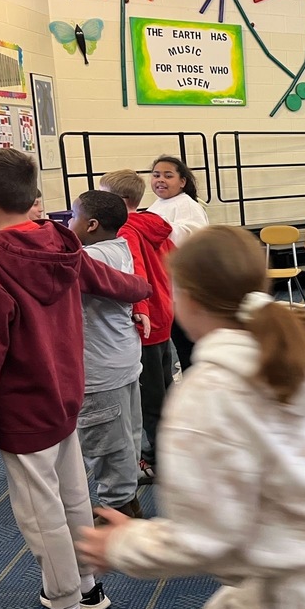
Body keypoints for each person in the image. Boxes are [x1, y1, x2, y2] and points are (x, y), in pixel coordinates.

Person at [77, 226, 305, 609]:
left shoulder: (207, 393)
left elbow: (206, 536)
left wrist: (122, 545)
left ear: (188, 300)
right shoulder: (294, 354)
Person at [0, 148, 150, 609]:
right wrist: (145, 291)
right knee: (72, 498)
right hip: (66, 396)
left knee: (42, 517)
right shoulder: (61, 241)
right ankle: (86, 588)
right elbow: (118, 284)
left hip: (24, 412)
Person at [68, 190, 144, 521]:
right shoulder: (120, 246)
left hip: (100, 369)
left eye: (73, 216)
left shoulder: (91, 258)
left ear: (92, 225)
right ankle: (127, 502)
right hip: (122, 359)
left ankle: (118, 512)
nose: (68, 223)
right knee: (126, 437)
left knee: (107, 445)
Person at [99, 169, 175, 486]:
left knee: (152, 400)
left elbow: (136, 275)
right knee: (164, 392)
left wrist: (140, 310)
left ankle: (159, 461)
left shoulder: (126, 232)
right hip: (162, 316)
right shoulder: (152, 224)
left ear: (117, 200)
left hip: (146, 323)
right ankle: (168, 452)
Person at [146, 155, 209, 370]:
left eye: (168, 175)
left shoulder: (187, 205)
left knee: (188, 341)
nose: (160, 180)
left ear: (182, 181)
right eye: (156, 175)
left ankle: (198, 375)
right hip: (166, 283)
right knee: (177, 339)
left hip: (184, 285)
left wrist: (154, 228)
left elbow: (191, 239)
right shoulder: (158, 204)